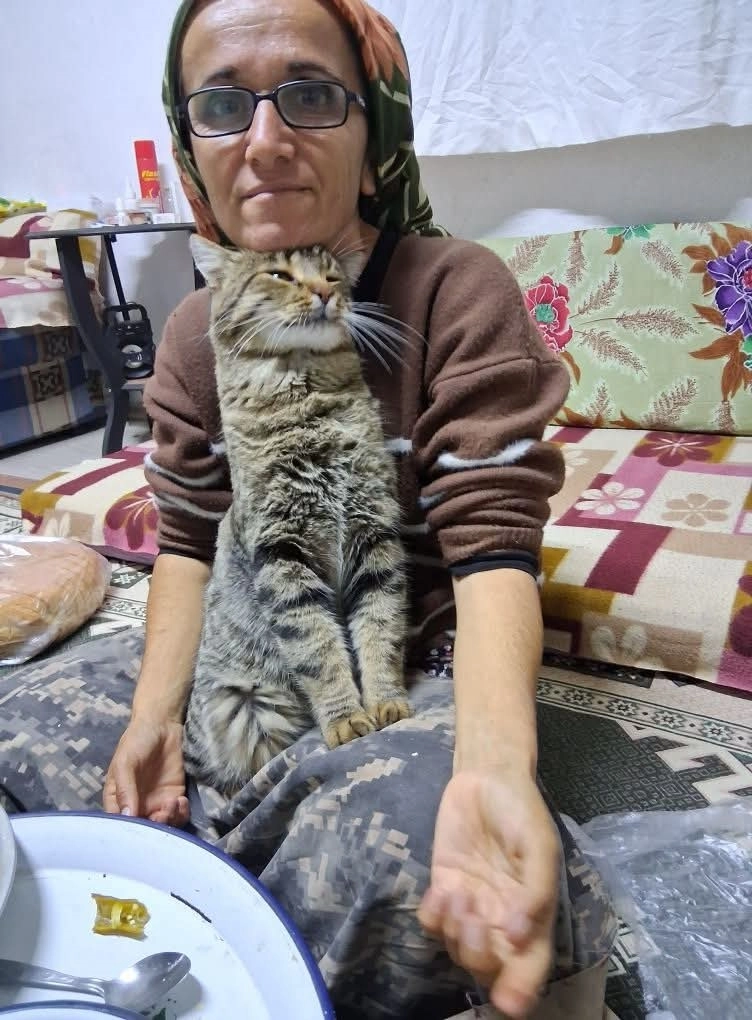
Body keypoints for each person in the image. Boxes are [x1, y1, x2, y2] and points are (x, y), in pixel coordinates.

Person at [0, 1, 616, 1018]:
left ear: (374, 141)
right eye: (221, 105)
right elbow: (188, 540)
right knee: (21, 727)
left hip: (400, 668)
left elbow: (491, 547)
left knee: (450, 868)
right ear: (191, 151)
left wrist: (495, 767)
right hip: (247, 648)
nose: (263, 139)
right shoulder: (193, 332)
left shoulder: (453, 289)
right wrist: (153, 719)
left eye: (311, 95)